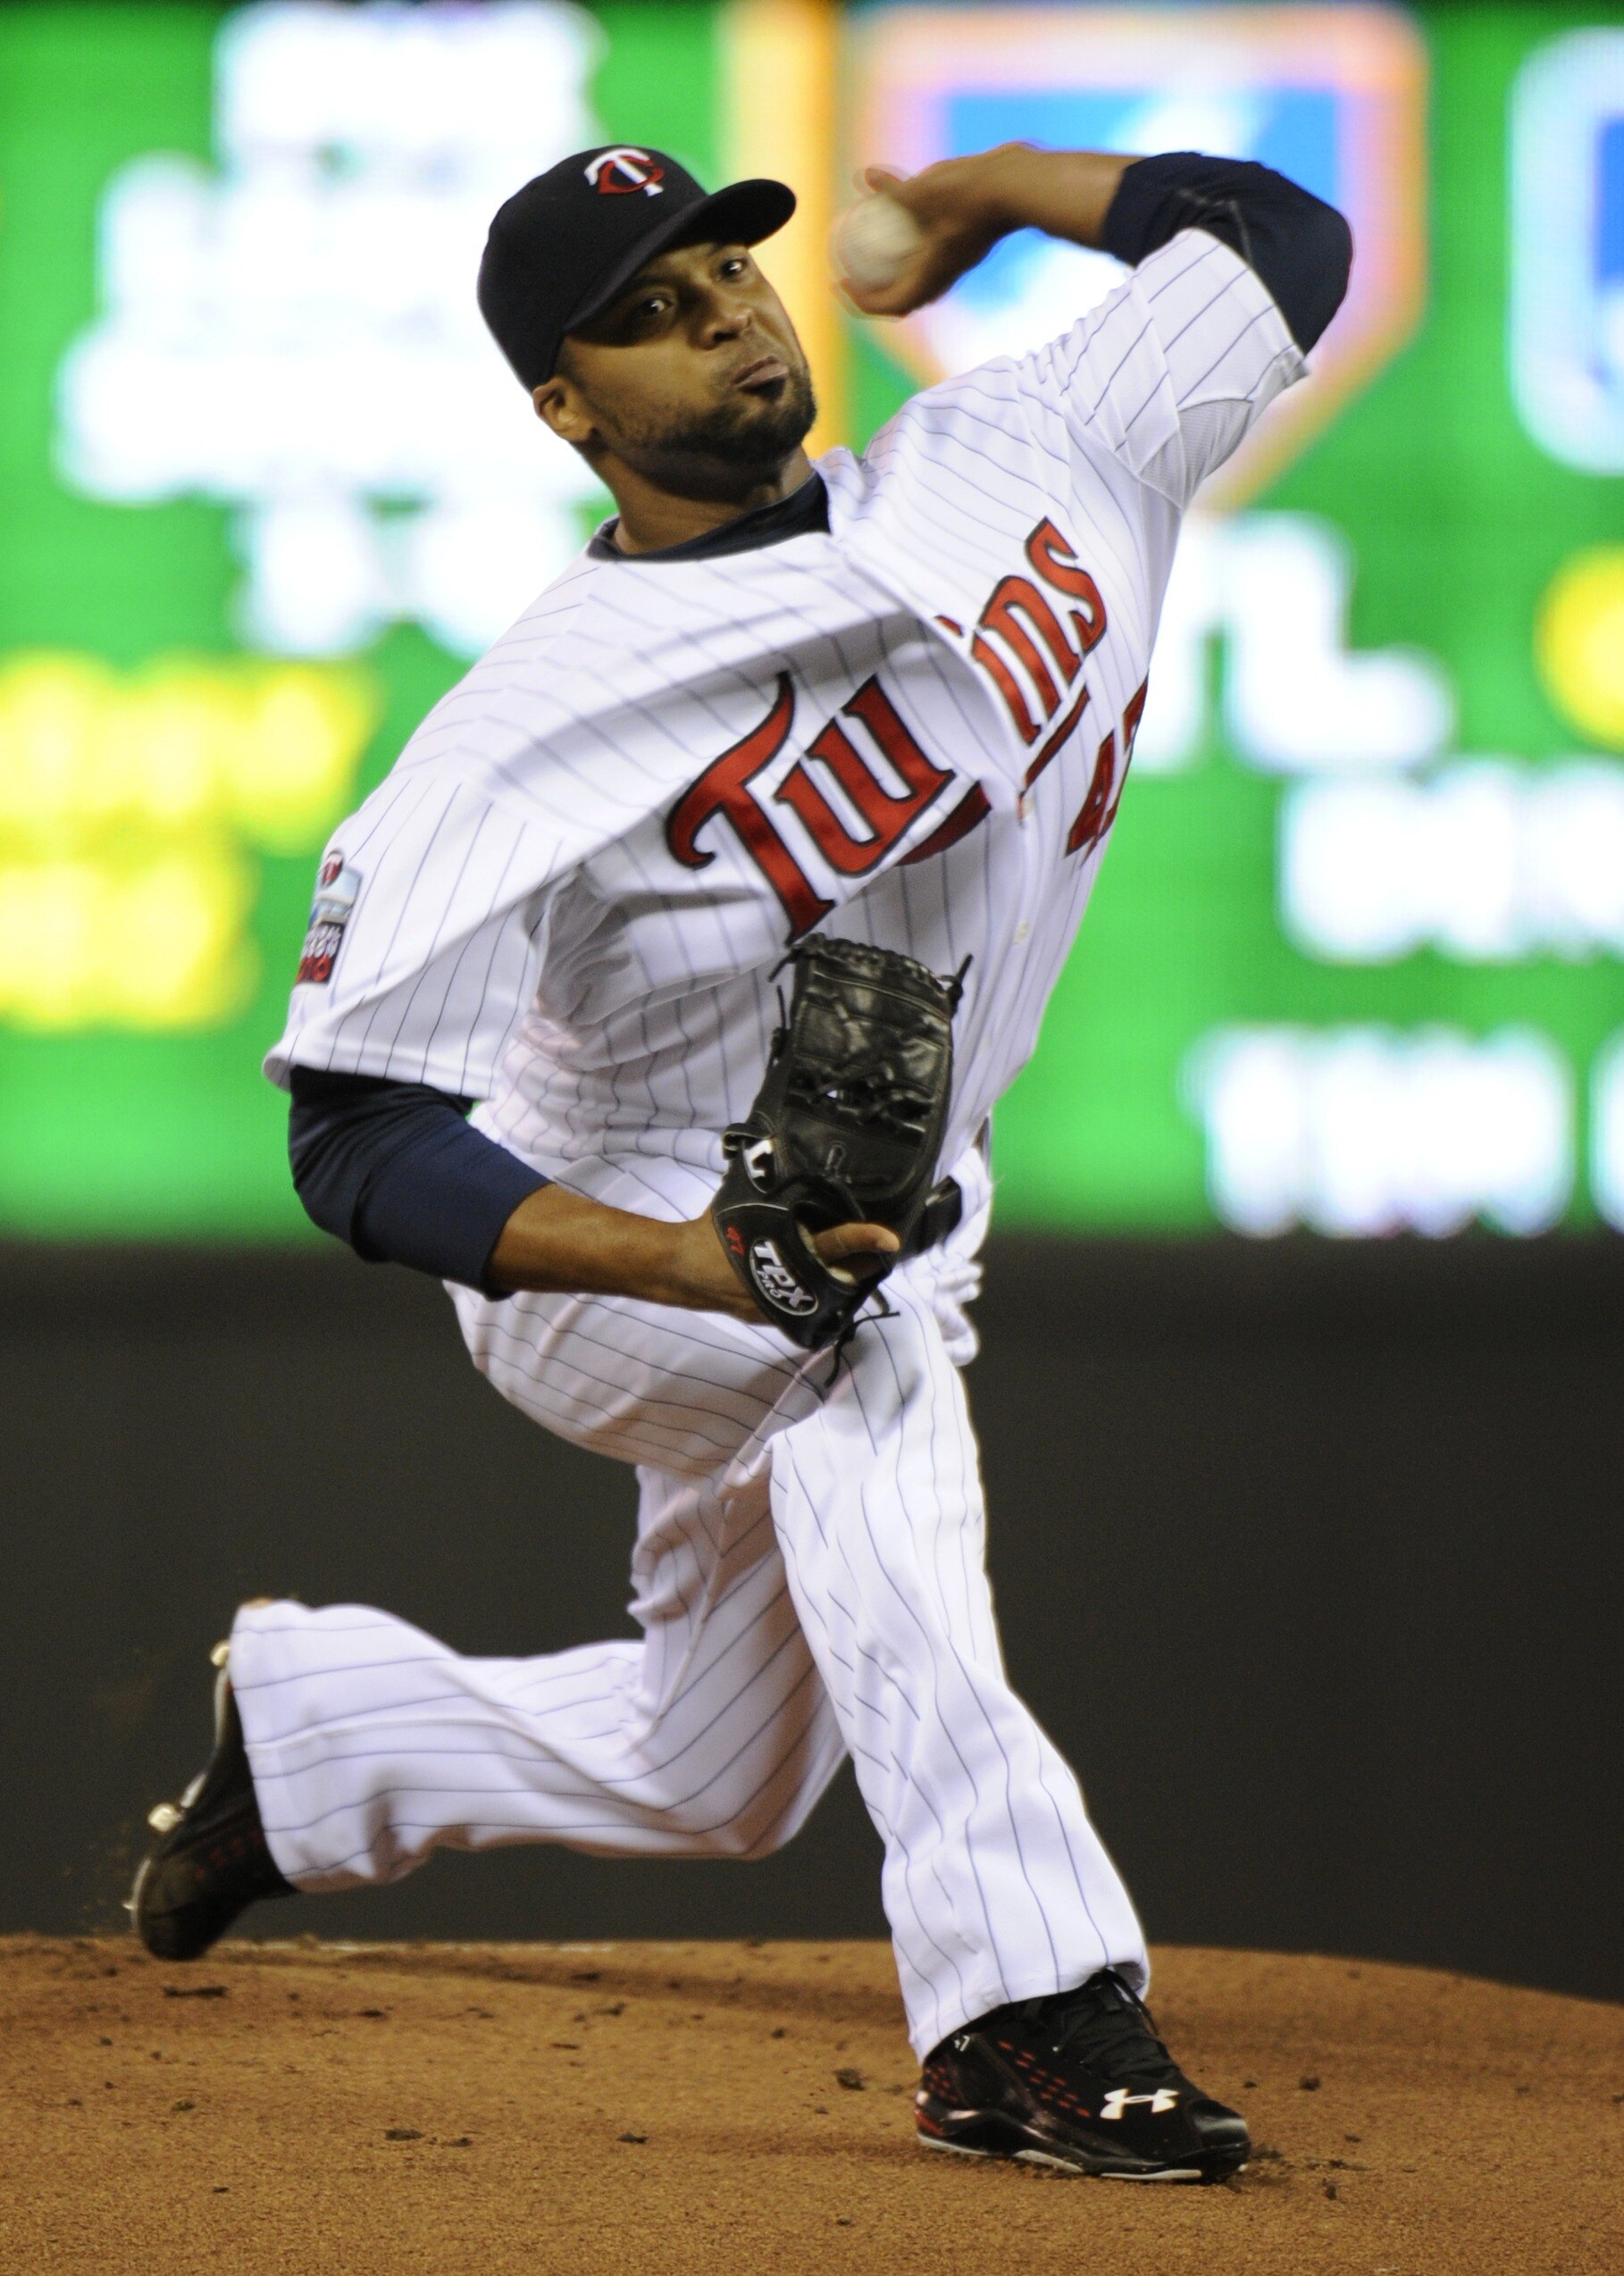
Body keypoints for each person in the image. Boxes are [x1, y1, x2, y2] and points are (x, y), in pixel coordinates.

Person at [130, 137, 1350, 2182]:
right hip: (617, 1242)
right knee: (849, 1360)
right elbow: (353, 1136)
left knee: (724, 1769)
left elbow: (1282, 245)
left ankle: (320, 1735)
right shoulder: (527, 722)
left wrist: (983, 188)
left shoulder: (1032, 449)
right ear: (567, 409)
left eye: (722, 268)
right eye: (644, 310)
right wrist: (682, 1260)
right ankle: (1024, 2005)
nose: (715, 313)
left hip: (875, 1228)